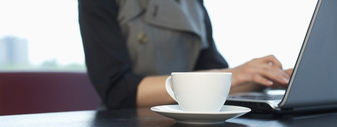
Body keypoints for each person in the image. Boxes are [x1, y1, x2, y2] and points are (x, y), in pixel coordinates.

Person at [78, 0, 292, 109]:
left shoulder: (193, 3)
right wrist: (235, 74)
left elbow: (212, 77)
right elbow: (117, 91)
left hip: (187, 125)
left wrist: (267, 78)